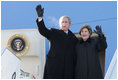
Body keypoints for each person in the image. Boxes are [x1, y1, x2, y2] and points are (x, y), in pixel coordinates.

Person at [36, 5, 78, 79]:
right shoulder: (54, 32)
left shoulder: (74, 38)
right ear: (60, 24)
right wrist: (40, 18)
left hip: (68, 70)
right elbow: (43, 30)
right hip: (54, 67)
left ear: (70, 24)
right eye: (62, 22)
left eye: (66, 22)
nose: (64, 24)